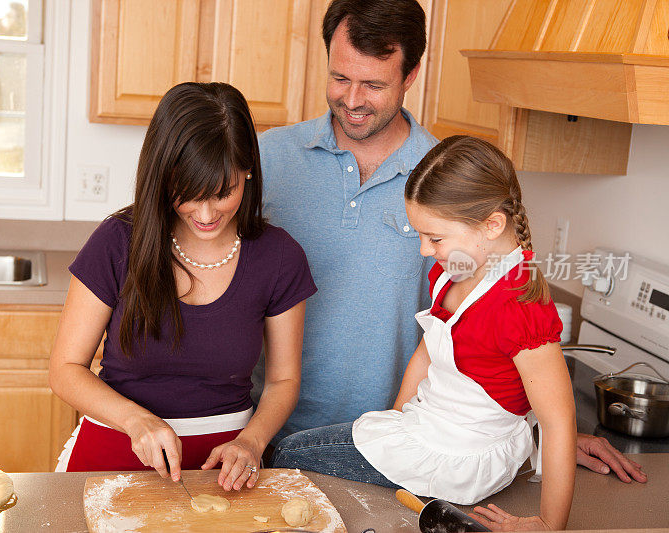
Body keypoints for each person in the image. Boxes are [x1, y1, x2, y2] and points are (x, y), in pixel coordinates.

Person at [256, 0, 647, 483]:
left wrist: (542, 432)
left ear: (412, 74)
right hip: (261, 435)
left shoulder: (444, 185)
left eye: (374, 84)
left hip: (404, 452)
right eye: (340, 78)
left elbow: (483, 336)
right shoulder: (269, 158)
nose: (353, 99)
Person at [274, 135, 576, 530]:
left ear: (492, 225)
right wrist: (396, 419)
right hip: (431, 431)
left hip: (462, 458)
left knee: (286, 454)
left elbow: (559, 420)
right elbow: (427, 350)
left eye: (434, 238)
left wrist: (550, 524)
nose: (423, 250)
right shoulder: (458, 270)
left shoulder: (518, 304)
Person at [49, 82, 317, 492]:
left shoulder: (280, 257)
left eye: (223, 192)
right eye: (188, 195)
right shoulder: (118, 240)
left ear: (248, 169)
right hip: (117, 442)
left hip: (224, 463)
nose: (207, 214)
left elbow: (283, 380)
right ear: (162, 175)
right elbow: (65, 369)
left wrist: (252, 441)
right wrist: (136, 420)